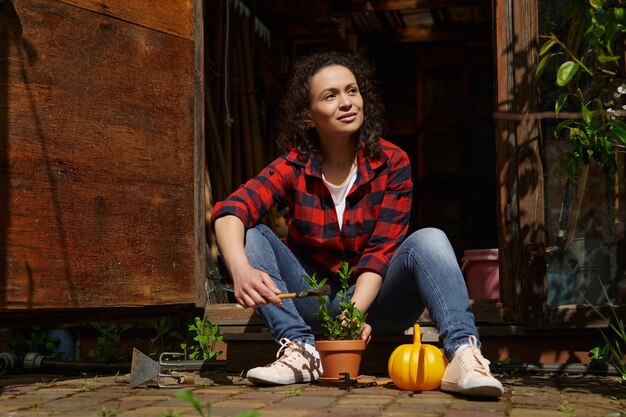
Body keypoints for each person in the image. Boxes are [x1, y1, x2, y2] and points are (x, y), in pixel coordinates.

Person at [211, 51, 503, 398]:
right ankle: (301, 350)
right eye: (330, 95)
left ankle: (462, 353)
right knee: (251, 234)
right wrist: (239, 268)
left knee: (431, 238)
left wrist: (353, 312)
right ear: (307, 115)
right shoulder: (294, 165)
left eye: (352, 91)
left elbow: (381, 252)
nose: (347, 102)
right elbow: (232, 209)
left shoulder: (392, 162)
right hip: (313, 302)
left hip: (381, 305)